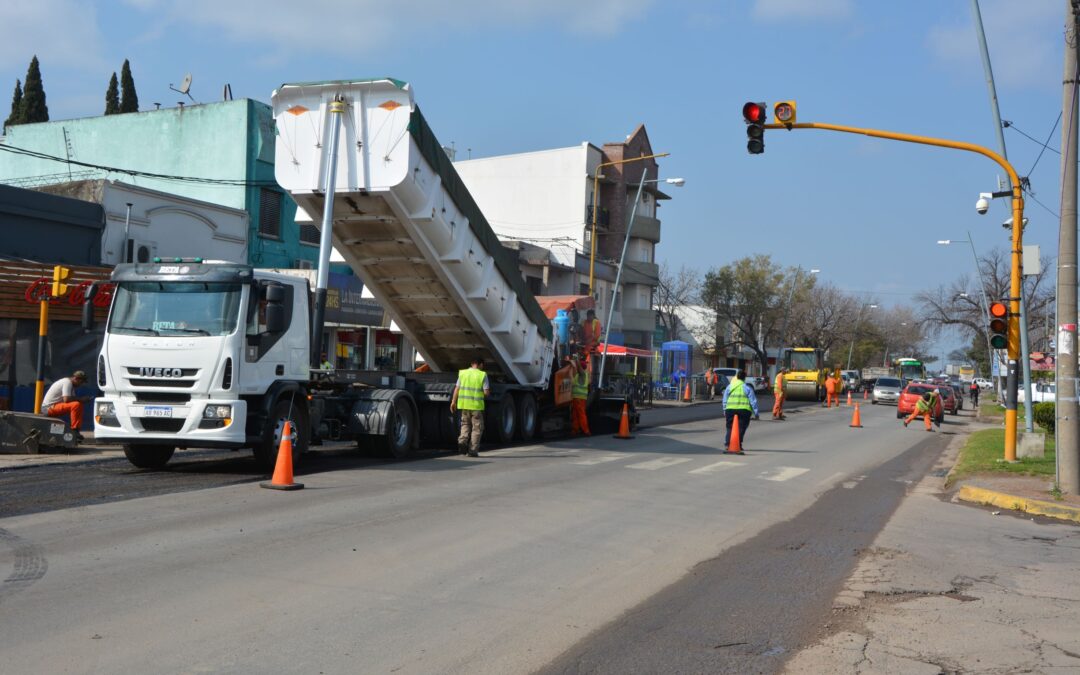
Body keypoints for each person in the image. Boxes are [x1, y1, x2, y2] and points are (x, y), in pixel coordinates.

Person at [449, 357, 491, 456]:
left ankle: (462, 441)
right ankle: (472, 451)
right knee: (477, 428)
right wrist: (484, 393)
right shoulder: (482, 375)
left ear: (472, 364)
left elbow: (457, 389)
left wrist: (453, 402)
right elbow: (486, 392)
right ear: (481, 365)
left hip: (464, 405)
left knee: (465, 425)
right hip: (476, 407)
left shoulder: (463, 373)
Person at [43, 369, 91, 442]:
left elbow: (72, 399)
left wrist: (81, 400)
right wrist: (81, 399)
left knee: (78, 404)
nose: (81, 385)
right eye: (81, 382)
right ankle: (75, 430)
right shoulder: (67, 382)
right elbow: (66, 399)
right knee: (76, 405)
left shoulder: (71, 386)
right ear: (76, 379)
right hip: (48, 408)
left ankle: (76, 429)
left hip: (53, 406)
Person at [722, 369, 759, 450]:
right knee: (741, 427)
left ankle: (728, 444)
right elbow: (753, 401)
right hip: (744, 411)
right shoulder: (747, 388)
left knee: (730, 427)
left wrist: (724, 409)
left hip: (730, 410)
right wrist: (756, 413)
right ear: (744, 378)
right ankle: (738, 444)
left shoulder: (730, 387)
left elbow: (725, 399)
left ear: (737, 377)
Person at [568, 356, 591, 436]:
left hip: (579, 398)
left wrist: (576, 359)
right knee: (576, 414)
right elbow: (572, 380)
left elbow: (579, 367)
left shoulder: (582, 374)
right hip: (578, 398)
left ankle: (586, 430)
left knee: (581, 414)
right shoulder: (580, 375)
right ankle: (575, 430)